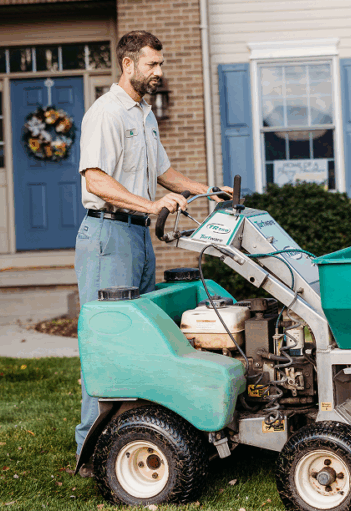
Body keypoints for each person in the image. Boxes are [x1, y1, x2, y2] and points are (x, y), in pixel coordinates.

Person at [73, 30, 232, 476]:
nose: (159, 72)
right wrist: (150, 205)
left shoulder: (144, 114)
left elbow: (162, 172)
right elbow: (96, 180)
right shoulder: (106, 113)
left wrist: (206, 190)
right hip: (108, 236)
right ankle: (92, 451)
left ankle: (136, 433)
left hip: (138, 236)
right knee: (106, 341)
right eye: (152, 65)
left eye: (160, 65)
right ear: (128, 64)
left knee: (140, 342)